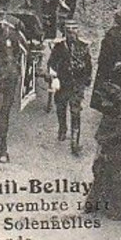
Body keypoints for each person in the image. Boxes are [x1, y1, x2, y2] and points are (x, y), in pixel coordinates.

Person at [48, 20, 93, 155]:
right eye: (70, 32)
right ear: (65, 33)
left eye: (75, 32)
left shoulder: (83, 46)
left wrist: (87, 78)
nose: (73, 35)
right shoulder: (59, 47)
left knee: (75, 111)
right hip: (62, 83)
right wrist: (54, 77)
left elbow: (88, 64)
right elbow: (51, 63)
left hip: (76, 85)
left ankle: (75, 142)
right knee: (61, 108)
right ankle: (62, 128)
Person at [91, 11, 121, 112]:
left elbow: (105, 53)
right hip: (120, 65)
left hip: (108, 65)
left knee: (106, 87)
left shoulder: (111, 34)